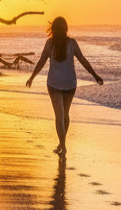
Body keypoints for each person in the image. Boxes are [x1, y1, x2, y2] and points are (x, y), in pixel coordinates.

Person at [26, 16, 103, 155]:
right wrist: (95, 76)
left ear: (53, 28)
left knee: (59, 116)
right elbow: (83, 60)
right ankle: (62, 144)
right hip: (69, 84)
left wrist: (32, 77)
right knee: (65, 115)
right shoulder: (72, 43)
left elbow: (42, 61)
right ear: (66, 28)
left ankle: (62, 144)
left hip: (54, 83)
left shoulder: (50, 43)